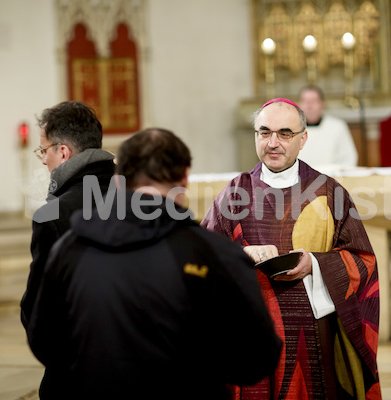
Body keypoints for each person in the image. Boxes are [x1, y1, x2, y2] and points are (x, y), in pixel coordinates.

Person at [26, 128, 283, 399]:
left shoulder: (70, 248)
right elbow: (256, 358)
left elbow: (43, 337)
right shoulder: (215, 255)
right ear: (184, 179)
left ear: (119, 182)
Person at [201, 98, 381, 400]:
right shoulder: (234, 193)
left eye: (285, 133)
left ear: (303, 139)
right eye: (264, 132)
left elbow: (363, 262)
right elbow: (203, 258)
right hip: (251, 331)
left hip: (314, 331)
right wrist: (242, 256)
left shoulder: (329, 192)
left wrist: (315, 263)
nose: (273, 143)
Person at [20, 101, 115, 328]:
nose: (43, 159)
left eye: (44, 150)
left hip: (79, 356)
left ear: (63, 152)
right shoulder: (141, 198)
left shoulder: (52, 216)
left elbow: (38, 312)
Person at [297, 85, 358, 169]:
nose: (309, 106)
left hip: (331, 178)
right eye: (305, 101)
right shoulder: (293, 129)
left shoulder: (338, 126)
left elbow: (348, 158)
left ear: (322, 104)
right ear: (299, 104)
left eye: (313, 101)